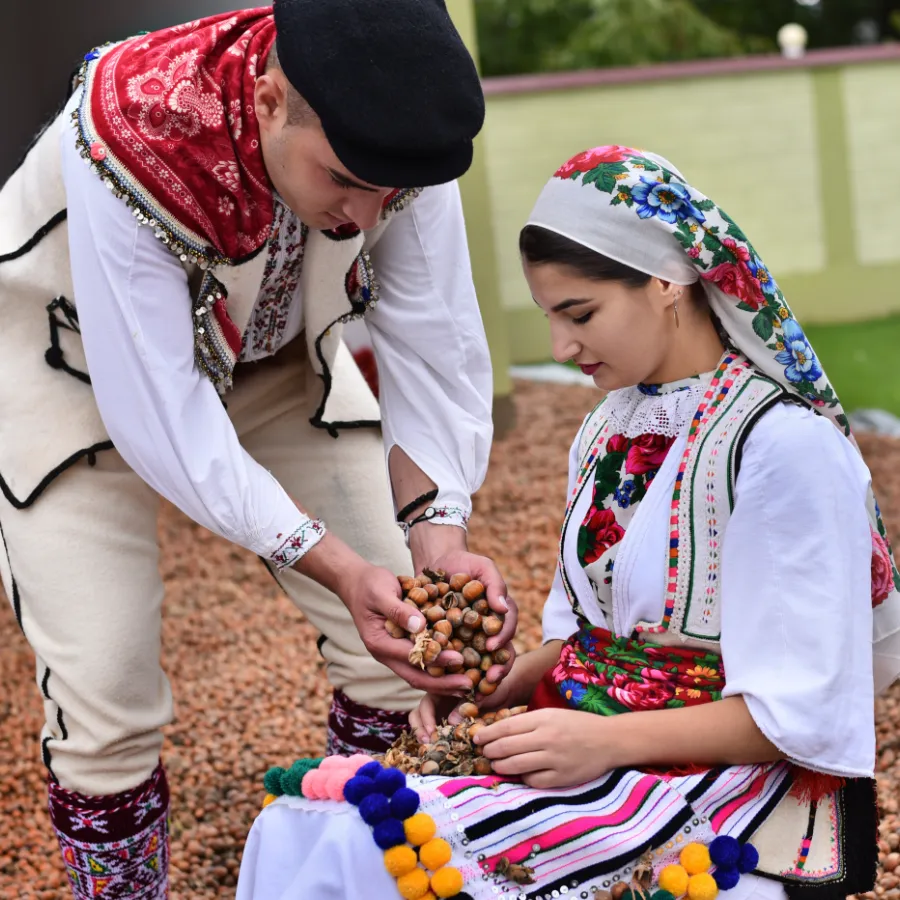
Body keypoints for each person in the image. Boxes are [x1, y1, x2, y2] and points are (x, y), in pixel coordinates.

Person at [235, 146, 900, 900]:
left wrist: (603, 742)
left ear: (667, 280)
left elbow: (801, 714)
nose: (561, 349)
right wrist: (494, 691)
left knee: (358, 842)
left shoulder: (784, 448)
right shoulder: (608, 428)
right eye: (549, 317)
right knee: (297, 823)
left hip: (718, 785)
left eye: (580, 314)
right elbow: (582, 637)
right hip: (587, 733)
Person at [0, 2, 517, 896]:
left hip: (275, 363)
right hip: (67, 370)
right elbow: (161, 411)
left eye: (388, 193)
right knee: (106, 689)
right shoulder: (134, 124)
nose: (364, 215)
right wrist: (336, 566)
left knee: (406, 647)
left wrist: (439, 538)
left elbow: (433, 339)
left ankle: (347, 864)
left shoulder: (399, 141)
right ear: (271, 99)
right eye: (344, 180)